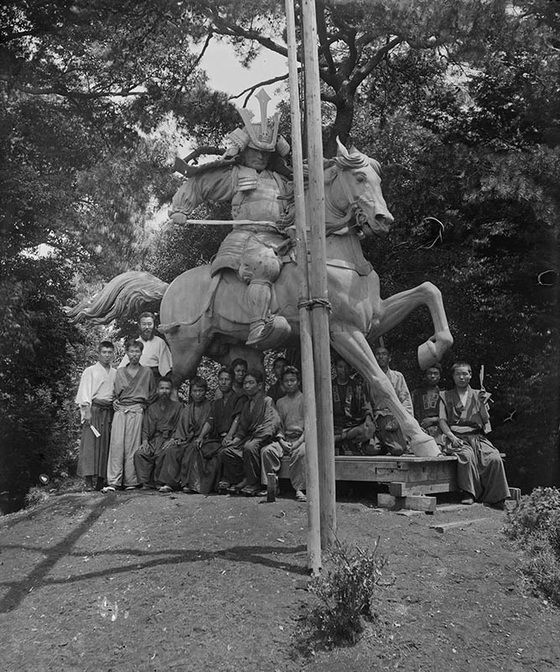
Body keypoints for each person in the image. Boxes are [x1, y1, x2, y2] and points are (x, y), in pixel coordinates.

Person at [169, 89, 293, 348]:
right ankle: (258, 324)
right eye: (255, 150)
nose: (261, 156)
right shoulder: (236, 175)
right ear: (244, 150)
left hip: (281, 239)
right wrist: (181, 208)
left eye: (266, 152)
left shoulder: (281, 180)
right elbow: (200, 182)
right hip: (248, 238)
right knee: (264, 265)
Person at [439, 362, 510, 507]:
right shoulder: (445, 395)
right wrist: (452, 437)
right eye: (458, 374)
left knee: (494, 458)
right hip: (456, 437)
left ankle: (496, 496)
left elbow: (485, 419)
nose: (461, 377)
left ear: (470, 375)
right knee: (466, 456)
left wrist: (482, 404)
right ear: (453, 376)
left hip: (477, 437)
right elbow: (442, 421)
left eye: (465, 374)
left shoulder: (479, 395)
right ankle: (469, 493)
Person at [103, 340, 156, 492]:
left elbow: (153, 394)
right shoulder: (120, 372)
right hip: (120, 411)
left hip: (136, 411)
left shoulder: (147, 372)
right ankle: (114, 481)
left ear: (141, 353)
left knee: (132, 446)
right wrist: (115, 401)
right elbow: (114, 393)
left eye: (137, 351)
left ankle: (130, 481)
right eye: (131, 351)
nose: (134, 354)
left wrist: (144, 405)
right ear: (126, 353)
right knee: (116, 445)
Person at [220, 369, 282, 496]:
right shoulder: (247, 404)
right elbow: (242, 428)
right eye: (245, 383)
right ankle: (242, 479)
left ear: (259, 385)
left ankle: (254, 483)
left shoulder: (267, 401)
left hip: (265, 438)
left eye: (251, 383)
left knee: (249, 447)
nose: (247, 386)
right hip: (249, 438)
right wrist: (235, 441)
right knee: (226, 451)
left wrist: (257, 438)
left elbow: (272, 424)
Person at [188, 368, 245, 494]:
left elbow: (238, 418)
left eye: (227, 379)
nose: (223, 382)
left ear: (232, 381)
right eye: (221, 379)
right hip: (218, 438)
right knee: (199, 448)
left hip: (234, 438)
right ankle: (197, 485)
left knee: (220, 454)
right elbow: (210, 421)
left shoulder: (239, 399)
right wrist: (201, 436)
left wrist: (229, 436)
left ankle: (224, 481)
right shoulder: (216, 403)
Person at [157, 376, 212, 493]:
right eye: (195, 391)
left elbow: (211, 425)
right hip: (187, 439)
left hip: (204, 440)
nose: (198, 394)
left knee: (191, 450)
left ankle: (188, 483)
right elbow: (182, 428)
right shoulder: (187, 409)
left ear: (205, 392)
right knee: (172, 450)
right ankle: (170, 483)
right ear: (191, 393)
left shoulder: (210, 407)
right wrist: (178, 439)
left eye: (201, 391)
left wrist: (201, 437)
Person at [75, 340, 117, 491]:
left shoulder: (115, 373)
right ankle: (88, 481)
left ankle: (101, 480)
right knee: (90, 444)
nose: (107, 355)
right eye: (104, 352)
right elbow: (84, 392)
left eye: (109, 352)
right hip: (94, 410)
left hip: (109, 411)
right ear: (98, 353)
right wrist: (87, 413)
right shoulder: (90, 371)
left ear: (113, 354)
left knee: (105, 444)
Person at [263, 366, 307, 502]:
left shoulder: (305, 399)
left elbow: (310, 427)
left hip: (302, 439)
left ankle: (300, 488)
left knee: (301, 453)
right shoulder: (280, 402)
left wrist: (298, 442)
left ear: (298, 382)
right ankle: (273, 485)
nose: (289, 383)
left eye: (292, 380)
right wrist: (282, 441)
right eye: (286, 381)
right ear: (282, 383)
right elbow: (279, 426)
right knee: (267, 451)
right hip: (285, 439)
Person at [133, 377, 183, 489]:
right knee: (140, 454)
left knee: (168, 452)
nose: (164, 391)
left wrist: (173, 439)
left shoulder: (178, 407)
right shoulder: (152, 408)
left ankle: (163, 483)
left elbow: (179, 426)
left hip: (169, 439)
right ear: (157, 390)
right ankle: (147, 482)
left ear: (171, 390)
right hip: (154, 440)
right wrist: (145, 441)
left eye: (167, 388)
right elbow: (146, 427)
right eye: (162, 388)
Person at [372, 346, 413, 456]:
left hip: (393, 417)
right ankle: (382, 442)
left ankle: (390, 443)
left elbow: (405, 400)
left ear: (389, 358)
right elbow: (366, 401)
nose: (381, 357)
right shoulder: (370, 377)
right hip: (376, 417)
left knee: (398, 449)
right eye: (378, 354)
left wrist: (399, 420)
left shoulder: (397, 377)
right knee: (372, 449)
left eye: (384, 354)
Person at [332, 356, 376, 455]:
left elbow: (366, 406)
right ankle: (343, 441)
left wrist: (368, 420)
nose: (343, 370)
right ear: (335, 368)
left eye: (346, 367)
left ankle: (341, 439)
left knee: (368, 430)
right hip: (334, 426)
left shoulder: (357, 385)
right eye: (340, 367)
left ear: (350, 368)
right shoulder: (329, 386)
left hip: (352, 426)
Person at [118, 312, 172, 382]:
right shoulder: (135, 343)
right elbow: (122, 368)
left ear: (154, 325)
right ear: (139, 325)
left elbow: (166, 368)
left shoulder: (160, 342)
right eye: (144, 324)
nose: (147, 327)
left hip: (154, 380)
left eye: (149, 324)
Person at [412, 364, 445, 446]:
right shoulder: (416, 393)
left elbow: (450, 416)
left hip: (439, 429)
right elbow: (410, 412)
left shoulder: (444, 394)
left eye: (435, 373)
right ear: (425, 376)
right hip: (419, 429)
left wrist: (433, 419)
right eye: (430, 373)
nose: (432, 376)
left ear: (439, 376)